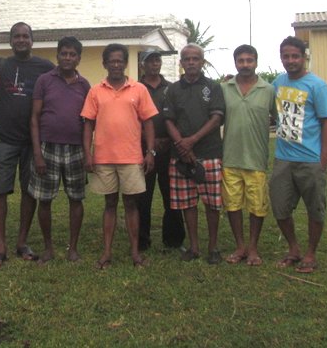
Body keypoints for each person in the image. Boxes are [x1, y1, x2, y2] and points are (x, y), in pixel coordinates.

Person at [0, 22, 53, 269]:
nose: (21, 40)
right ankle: (0, 246)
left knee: (29, 192)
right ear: (10, 40)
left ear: (32, 40)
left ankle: (22, 242)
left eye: (25, 36)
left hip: (32, 142)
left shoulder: (44, 66)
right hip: (5, 140)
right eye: (16, 36)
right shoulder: (0, 64)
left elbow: (63, 78)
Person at [81, 43, 156, 268]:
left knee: (131, 204)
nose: (116, 64)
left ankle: (135, 253)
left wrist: (150, 152)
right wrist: (88, 154)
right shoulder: (95, 91)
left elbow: (148, 122)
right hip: (104, 158)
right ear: (105, 64)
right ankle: (106, 252)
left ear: (125, 63)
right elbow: (88, 124)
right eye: (112, 61)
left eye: (119, 61)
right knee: (110, 203)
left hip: (132, 157)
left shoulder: (139, 89)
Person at [270, 36, 327, 274]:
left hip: (310, 160)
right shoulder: (278, 83)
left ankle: (310, 253)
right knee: (280, 207)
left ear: (304, 57)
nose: (290, 60)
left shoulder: (318, 86)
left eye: (295, 56)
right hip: (283, 158)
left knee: (315, 208)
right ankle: (293, 249)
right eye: (286, 56)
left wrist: (323, 157)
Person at [28, 36, 91, 263]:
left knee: (76, 198)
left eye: (72, 54)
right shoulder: (44, 80)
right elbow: (34, 118)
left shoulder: (84, 85)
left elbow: (88, 121)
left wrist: (87, 152)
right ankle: (48, 248)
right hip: (48, 147)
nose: (67, 58)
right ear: (57, 55)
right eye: (64, 53)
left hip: (76, 149)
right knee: (44, 200)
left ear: (78, 58)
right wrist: (37, 153)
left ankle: (73, 248)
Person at [164, 44, 226, 265]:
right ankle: (194, 247)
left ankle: (213, 247)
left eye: (195, 58)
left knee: (212, 204)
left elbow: (216, 118)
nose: (191, 62)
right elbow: (168, 120)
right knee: (188, 203)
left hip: (209, 154)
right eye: (187, 59)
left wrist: (192, 140)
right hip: (181, 157)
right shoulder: (173, 90)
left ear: (202, 61)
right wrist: (182, 145)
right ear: (181, 62)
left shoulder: (214, 87)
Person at [222, 44, 276, 266]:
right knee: (232, 205)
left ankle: (253, 247)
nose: (245, 64)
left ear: (256, 62)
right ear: (235, 62)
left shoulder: (269, 90)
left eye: (249, 60)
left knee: (257, 206)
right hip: (230, 158)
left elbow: (280, 119)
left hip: (256, 159)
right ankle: (240, 246)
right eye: (241, 60)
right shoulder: (224, 88)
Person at [137, 49, 185, 252]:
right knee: (142, 196)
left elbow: (178, 117)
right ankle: (141, 240)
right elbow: (132, 118)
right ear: (142, 65)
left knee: (171, 195)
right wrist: (149, 141)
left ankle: (173, 240)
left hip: (169, 148)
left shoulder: (172, 88)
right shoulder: (136, 88)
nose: (154, 64)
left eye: (157, 60)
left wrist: (169, 139)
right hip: (143, 149)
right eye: (150, 61)